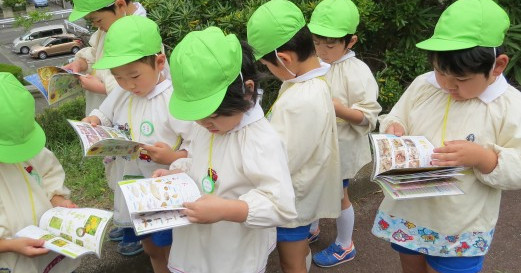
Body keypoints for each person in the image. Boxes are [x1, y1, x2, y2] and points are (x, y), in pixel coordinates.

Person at [371, 1, 521, 273]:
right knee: (411, 262)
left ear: (497, 66)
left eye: (461, 79)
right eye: (440, 71)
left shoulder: (509, 105)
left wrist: (484, 157)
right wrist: (394, 128)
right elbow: (397, 116)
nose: (447, 84)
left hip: (460, 224)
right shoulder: (424, 85)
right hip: (412, 209)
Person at [152, 26, 297, 273]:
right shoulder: (207, 126)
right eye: (197, 117)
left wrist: (227, 209)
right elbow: (200, 161)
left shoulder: (260, 140)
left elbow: (281, 206)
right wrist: (177, 173)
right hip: (196, 242)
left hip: (235, 250)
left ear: (247, 91)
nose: (204, 125)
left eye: (213, 116)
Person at [82, 15, 192, 272]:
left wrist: (173, 156)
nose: (128, 85)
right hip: (132, 184)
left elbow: (195, 145)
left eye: (134, 75)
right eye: (118, 77)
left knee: (172, 244)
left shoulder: (174, 100)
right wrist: (94, 119)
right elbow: (104, 112)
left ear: (159, 62)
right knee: (150, 247)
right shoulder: (122, 92)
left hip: (163, 189)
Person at [247, 1, 343, 272]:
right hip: (303, 188)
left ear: (285, 59)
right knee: (297, 251)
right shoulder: (311, 79)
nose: (270, 71)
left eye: (268, 64)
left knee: (291, 259)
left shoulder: (302, 99)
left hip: (293, 196)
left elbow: (285, 158)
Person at [306, 0, 382, 267]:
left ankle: (344, 244)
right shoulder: (314, 63)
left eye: (330, 45)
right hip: (316, 146)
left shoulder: (357, 72)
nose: (322, 50)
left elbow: (369, 117)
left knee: (339, 196)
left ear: (351, 41)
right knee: (312, 187)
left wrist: (338, 109)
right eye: (317, 42)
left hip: (342, 151)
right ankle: (312, 228)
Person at [0, 72, 80, 273]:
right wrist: (8, 245)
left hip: (47, 245)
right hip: (10, 259)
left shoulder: (34, 152)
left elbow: (49, 173)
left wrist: (58, 199)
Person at [65, 0, 148, 115]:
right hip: (104, 113)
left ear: (120, 5)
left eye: (98, 20)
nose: (95, 25)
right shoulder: (114, 24)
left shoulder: (141, 35)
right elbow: (96, 53)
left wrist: (102, 88)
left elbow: (143, 81)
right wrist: (81, 63)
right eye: (92, 21)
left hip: (126, 115)